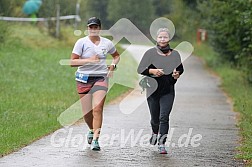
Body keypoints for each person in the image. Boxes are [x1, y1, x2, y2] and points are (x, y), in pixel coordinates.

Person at [70, 17, 120, 151]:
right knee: (87, 112)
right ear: (87, 29)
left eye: (96, 27)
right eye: (90, 27)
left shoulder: (107, 43)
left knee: (97, 109)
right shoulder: (81, 43)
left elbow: (116, 56)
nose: (93, 30)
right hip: (83, 79)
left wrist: (113, 65)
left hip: (101, 78)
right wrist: (89, 60)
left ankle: (96, 140)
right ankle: (91, 130)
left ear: (100, 28)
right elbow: (72, 62)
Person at [137, 28, 184, 154]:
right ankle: (154, 132)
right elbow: (140, 69)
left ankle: (162, 143)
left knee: (164, 117)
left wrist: (176, 74)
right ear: (156, 38)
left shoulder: (175, 54)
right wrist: (152, 71)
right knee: (155, 118)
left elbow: (180, 69)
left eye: (165, 37)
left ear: (169, 39)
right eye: (160, 37)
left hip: (168, 90)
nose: (162, 39)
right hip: (152, 90)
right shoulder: (150, 53)